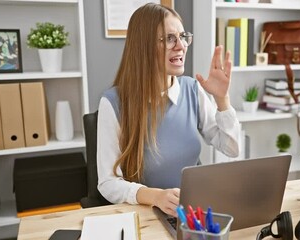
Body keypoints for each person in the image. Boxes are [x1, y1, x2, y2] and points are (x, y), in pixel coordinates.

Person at [96, 3, 240, 217]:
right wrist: (156, 197)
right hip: (146, 215)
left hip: (193, 212)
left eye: (183, 37)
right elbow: (107, 182)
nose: (181, 45)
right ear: (143, 46)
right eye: (169, 38)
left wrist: (222, 99)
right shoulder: (114, 103)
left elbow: (231, 149)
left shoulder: (193, 89)